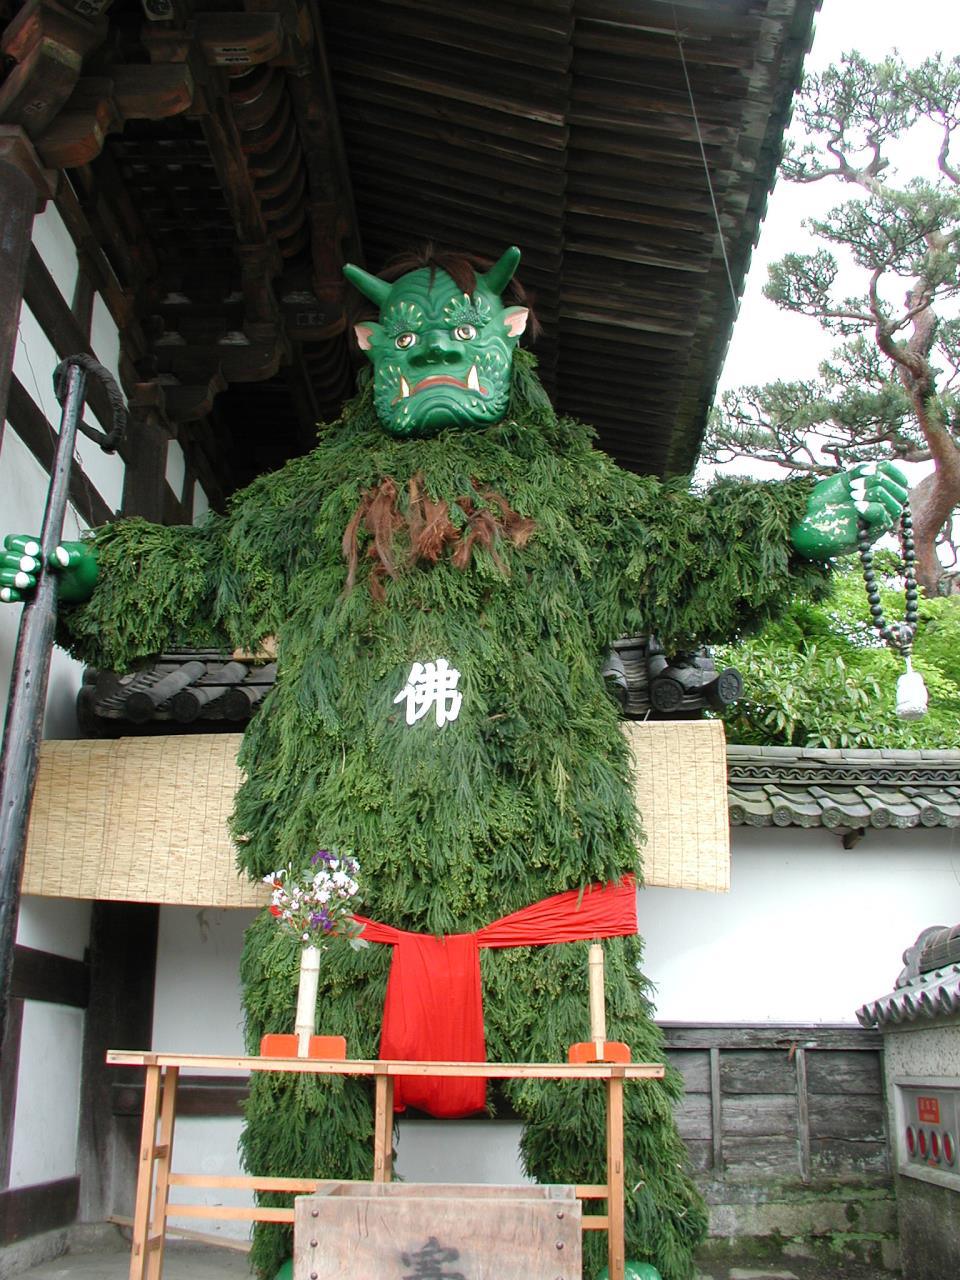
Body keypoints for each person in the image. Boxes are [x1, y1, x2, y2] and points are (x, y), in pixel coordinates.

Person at [0, 247, 907, 1279]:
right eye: (412, 335)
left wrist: (790, 526)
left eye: (458, 331)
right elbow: (202, 568)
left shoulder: (571, 488)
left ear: (509, 342)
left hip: (543, 866)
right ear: (371, 346)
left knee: (591, 1059)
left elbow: (680, 548)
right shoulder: (307, 502)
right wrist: (80, 577)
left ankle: (631, 1249)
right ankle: (302, 1246)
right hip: (339, 873)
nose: (432, 344)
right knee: (311, 1066)